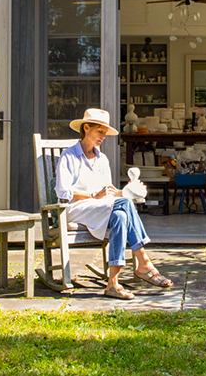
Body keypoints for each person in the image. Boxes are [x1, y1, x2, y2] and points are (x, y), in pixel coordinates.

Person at [54, 108, 174, 300]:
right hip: (77, 209)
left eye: (105, 133)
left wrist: (128, 191)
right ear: (86, 128)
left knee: (120, 215)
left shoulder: (102, 159)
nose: (103, 137)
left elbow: (109, 194)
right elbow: (63, 192)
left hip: (101, 208)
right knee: (123, 206)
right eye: (100, 131)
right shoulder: (69, 156)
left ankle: (113, 283)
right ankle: (143, 262)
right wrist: (93, 194)